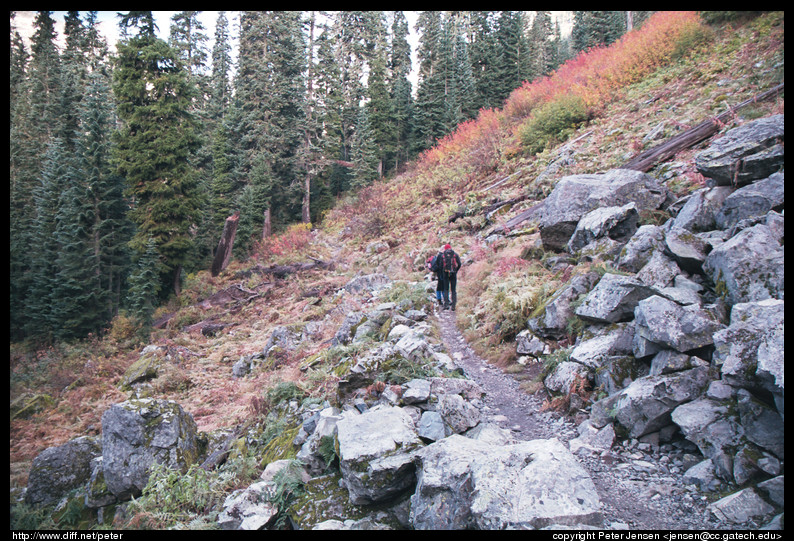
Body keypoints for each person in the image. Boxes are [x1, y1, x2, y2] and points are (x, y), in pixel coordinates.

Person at [433, 244, 461, 311]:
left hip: (445, 274)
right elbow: (459, 264)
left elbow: (439, 265)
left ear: (445, 249)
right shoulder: (455, 254)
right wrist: (455, 270)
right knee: (453, 290)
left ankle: (446, 305)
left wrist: (443, 272)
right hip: (453, 273)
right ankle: (453, 305)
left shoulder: (443, 255)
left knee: (446, 289)